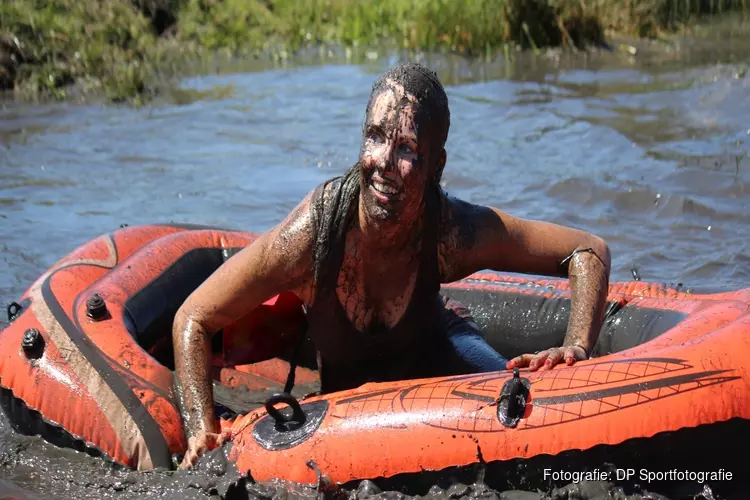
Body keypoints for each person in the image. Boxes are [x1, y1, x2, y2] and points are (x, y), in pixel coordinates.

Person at [172, 62, 611, 468]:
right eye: (376, 136)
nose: (383, 162)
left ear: (435, 165)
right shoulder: (311, 238)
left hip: (439, 363)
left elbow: (587, 250)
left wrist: (575, 346)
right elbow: (193, 318)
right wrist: (201, 432)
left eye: (405, 148)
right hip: (343, 415)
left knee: (524, 405)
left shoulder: (450, 233)